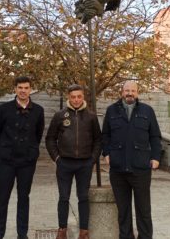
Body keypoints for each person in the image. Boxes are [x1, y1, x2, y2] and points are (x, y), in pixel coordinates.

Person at [102, 81, 162, 239]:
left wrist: (156, 157)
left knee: (144, 210)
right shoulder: (111, 111)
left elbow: (155, 136)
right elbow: (105, 135)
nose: (130, 93)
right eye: (127, 90)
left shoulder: (147, 111)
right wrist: (107, 153)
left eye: (133, 91)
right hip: (118, 170)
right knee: (123, 211)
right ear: (122, 92)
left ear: (137, 93)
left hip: (141, 168)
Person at [45, 84, 102, 239]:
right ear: (68, 97)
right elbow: (50, 139)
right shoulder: (60, 115)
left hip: (85, 164)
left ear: (83, 97)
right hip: (64, 163)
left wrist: (92, 159)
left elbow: (98, 140)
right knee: (64, 197)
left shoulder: (91, 116)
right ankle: (62, 230)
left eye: (79, 96)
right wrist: (57, 158)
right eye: (73, 97)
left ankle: (84, 231)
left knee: (83, 197)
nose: (76, 100)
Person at [0, 76, 45, 239]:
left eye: (26, 88)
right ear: (15, 89)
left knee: (24, 198)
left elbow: (38, 134)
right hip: (7, 161)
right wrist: (5, 150)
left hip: (27, 162)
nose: (23, 90)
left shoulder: (38, 110)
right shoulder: (3, 109)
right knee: (2, 198)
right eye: (20, 87)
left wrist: (32, 152)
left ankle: (22, 234)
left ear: (30, 89)